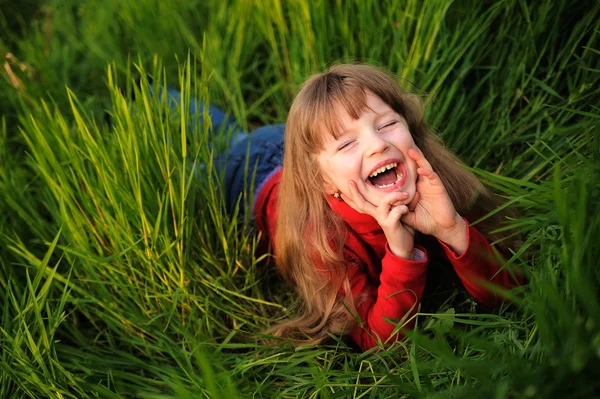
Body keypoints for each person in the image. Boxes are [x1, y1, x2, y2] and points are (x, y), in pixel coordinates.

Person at [167, 63, 523, 351]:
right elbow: (378, 340)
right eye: (348, 143)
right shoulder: (321, 236)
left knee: (232, 133)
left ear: (411, 130)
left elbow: (508, 291)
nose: (376, 145)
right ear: (324, 183)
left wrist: (452, 229)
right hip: (250, 178)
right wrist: (402, 253)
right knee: (195, 167)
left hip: (291, 146)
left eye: (386, 124)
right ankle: (149, 95)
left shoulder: (435, 185)